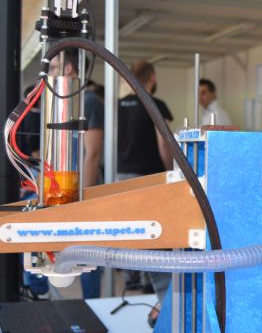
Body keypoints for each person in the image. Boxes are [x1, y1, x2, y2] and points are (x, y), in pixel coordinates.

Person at [48, 51, 105, 298]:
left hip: (82, 191)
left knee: (87, 255)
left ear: (68, 68)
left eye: (54, 67)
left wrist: (84, 200)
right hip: (64, 188)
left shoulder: (89, 101)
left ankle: (91, 305)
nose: (50, 73)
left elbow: (92, 153)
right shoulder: (66, 101)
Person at [117, 60, 173, 298]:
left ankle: (131, 279)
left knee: (128, 229)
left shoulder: (118, 106)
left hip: (121, 175)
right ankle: (153, 284)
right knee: (153, 231)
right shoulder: (156, 104)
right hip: (149, 176)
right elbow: (165, 143)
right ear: (153, 77)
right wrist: (171, 171)